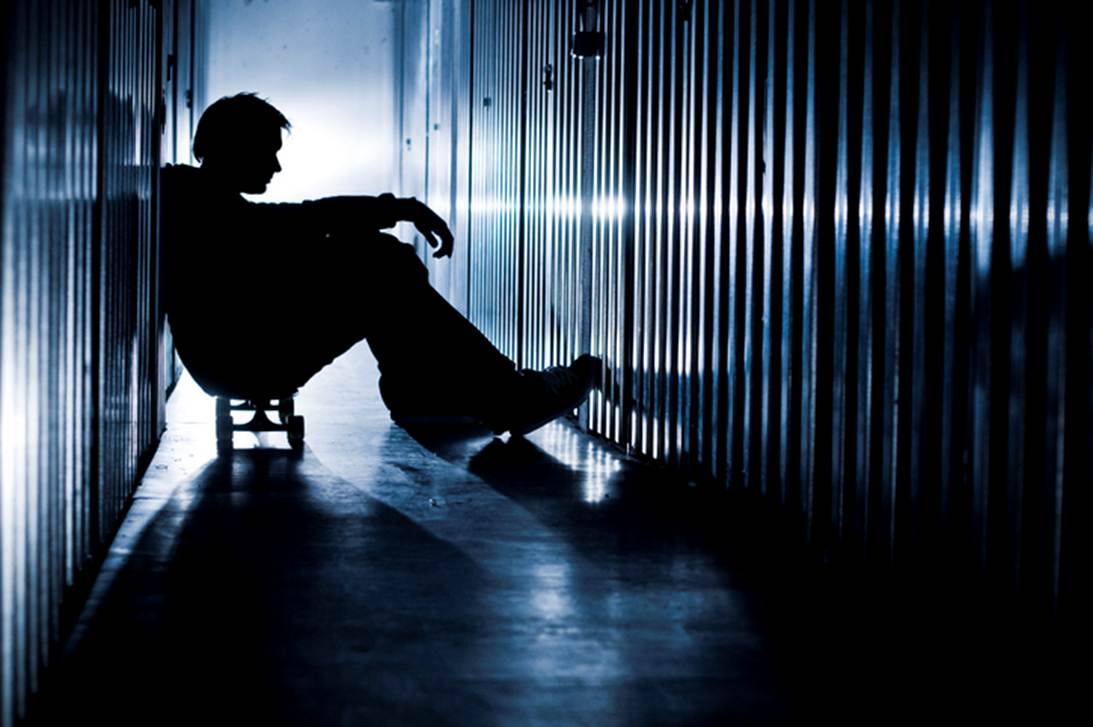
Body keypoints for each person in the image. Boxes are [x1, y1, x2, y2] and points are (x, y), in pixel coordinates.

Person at [161, 92, 600, 436]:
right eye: (266, 152)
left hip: (236, 353)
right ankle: (507, 396)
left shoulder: (198, 199)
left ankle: (423, 394)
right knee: (381, 263)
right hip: (243, 360)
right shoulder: (197, 203)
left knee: (379, 259)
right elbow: (298, 219)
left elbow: (292, 225)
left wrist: (388, 218)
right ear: (233, 148)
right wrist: (400, 210)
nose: (276, 166)